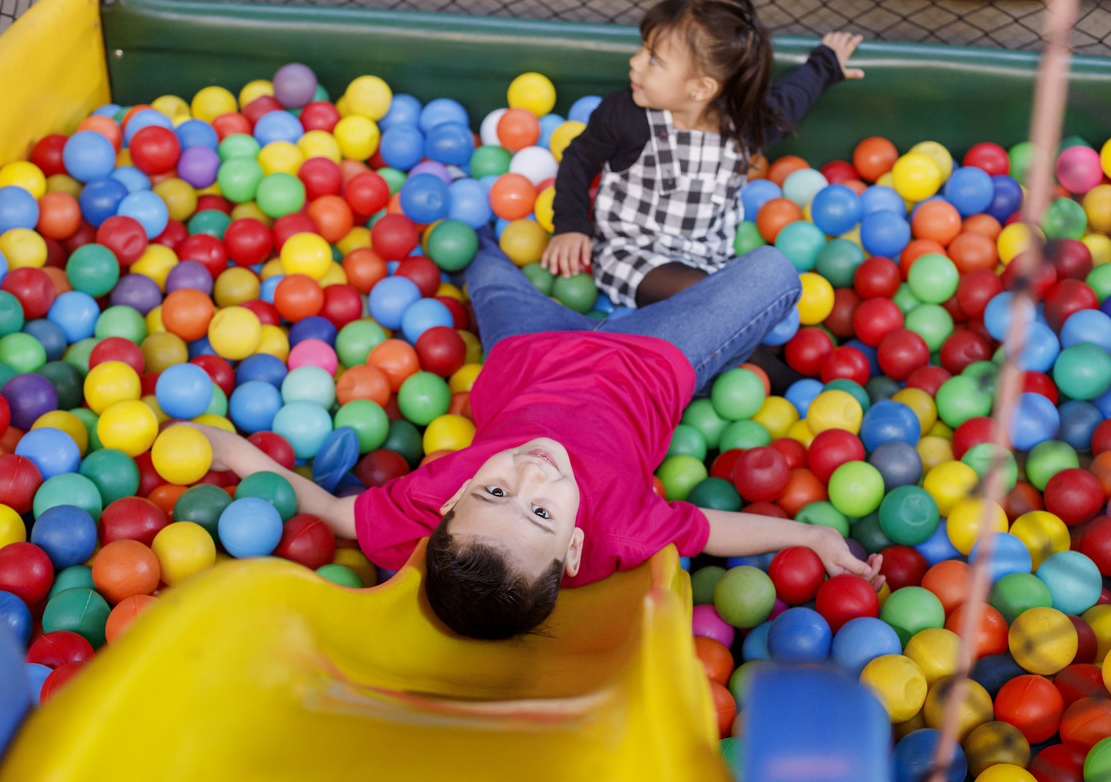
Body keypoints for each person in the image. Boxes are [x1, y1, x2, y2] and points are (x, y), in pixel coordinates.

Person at [194, 227, 882, 642]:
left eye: (494, 491)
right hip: (651, 356)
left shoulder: (426, 509)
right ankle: (646, 288)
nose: (531, 475)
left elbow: (328, 510)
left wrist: (223, 448)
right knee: (775, 272)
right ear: (574, 546)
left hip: (527, 347)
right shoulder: (620, 532)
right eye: (543, 513)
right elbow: (709, 529)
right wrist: (811, 536)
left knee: (480, 260)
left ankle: (593, 259)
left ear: (450, 503)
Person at [542, 0, 864, 391]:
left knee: (742, 305)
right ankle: (784, 382)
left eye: (653, 59)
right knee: (712, 300)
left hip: (711, 260)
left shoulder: (745, 126)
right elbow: (578, 159)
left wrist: (827, 63)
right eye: (643, 49)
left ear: (700, 88)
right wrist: (570, 225)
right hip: (632, 254)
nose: (635, 62)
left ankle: (752, 359)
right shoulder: (626, 116)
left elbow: (794, 96)